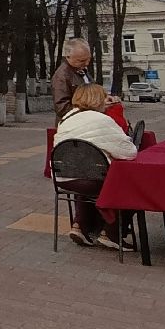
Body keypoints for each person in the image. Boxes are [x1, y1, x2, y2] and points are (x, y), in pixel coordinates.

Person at [53, 83, 138, 250]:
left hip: (64, 179)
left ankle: (80, 226)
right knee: (133, 187)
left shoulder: (66, 119)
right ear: (99, 99)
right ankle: (111, 233)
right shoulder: (103, 120)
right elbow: (129, 152)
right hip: (94, 181)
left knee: (84, 174)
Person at [51, 38, 119, 118]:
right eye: (82, 60)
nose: (86, 63)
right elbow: (62, 108)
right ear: (68, 57)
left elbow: (91, 94)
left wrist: (104, 98)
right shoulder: (62, 76)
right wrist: (95, 107)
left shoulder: (81, 70)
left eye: (88, 59)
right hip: (75, 123)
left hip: (88, 119)